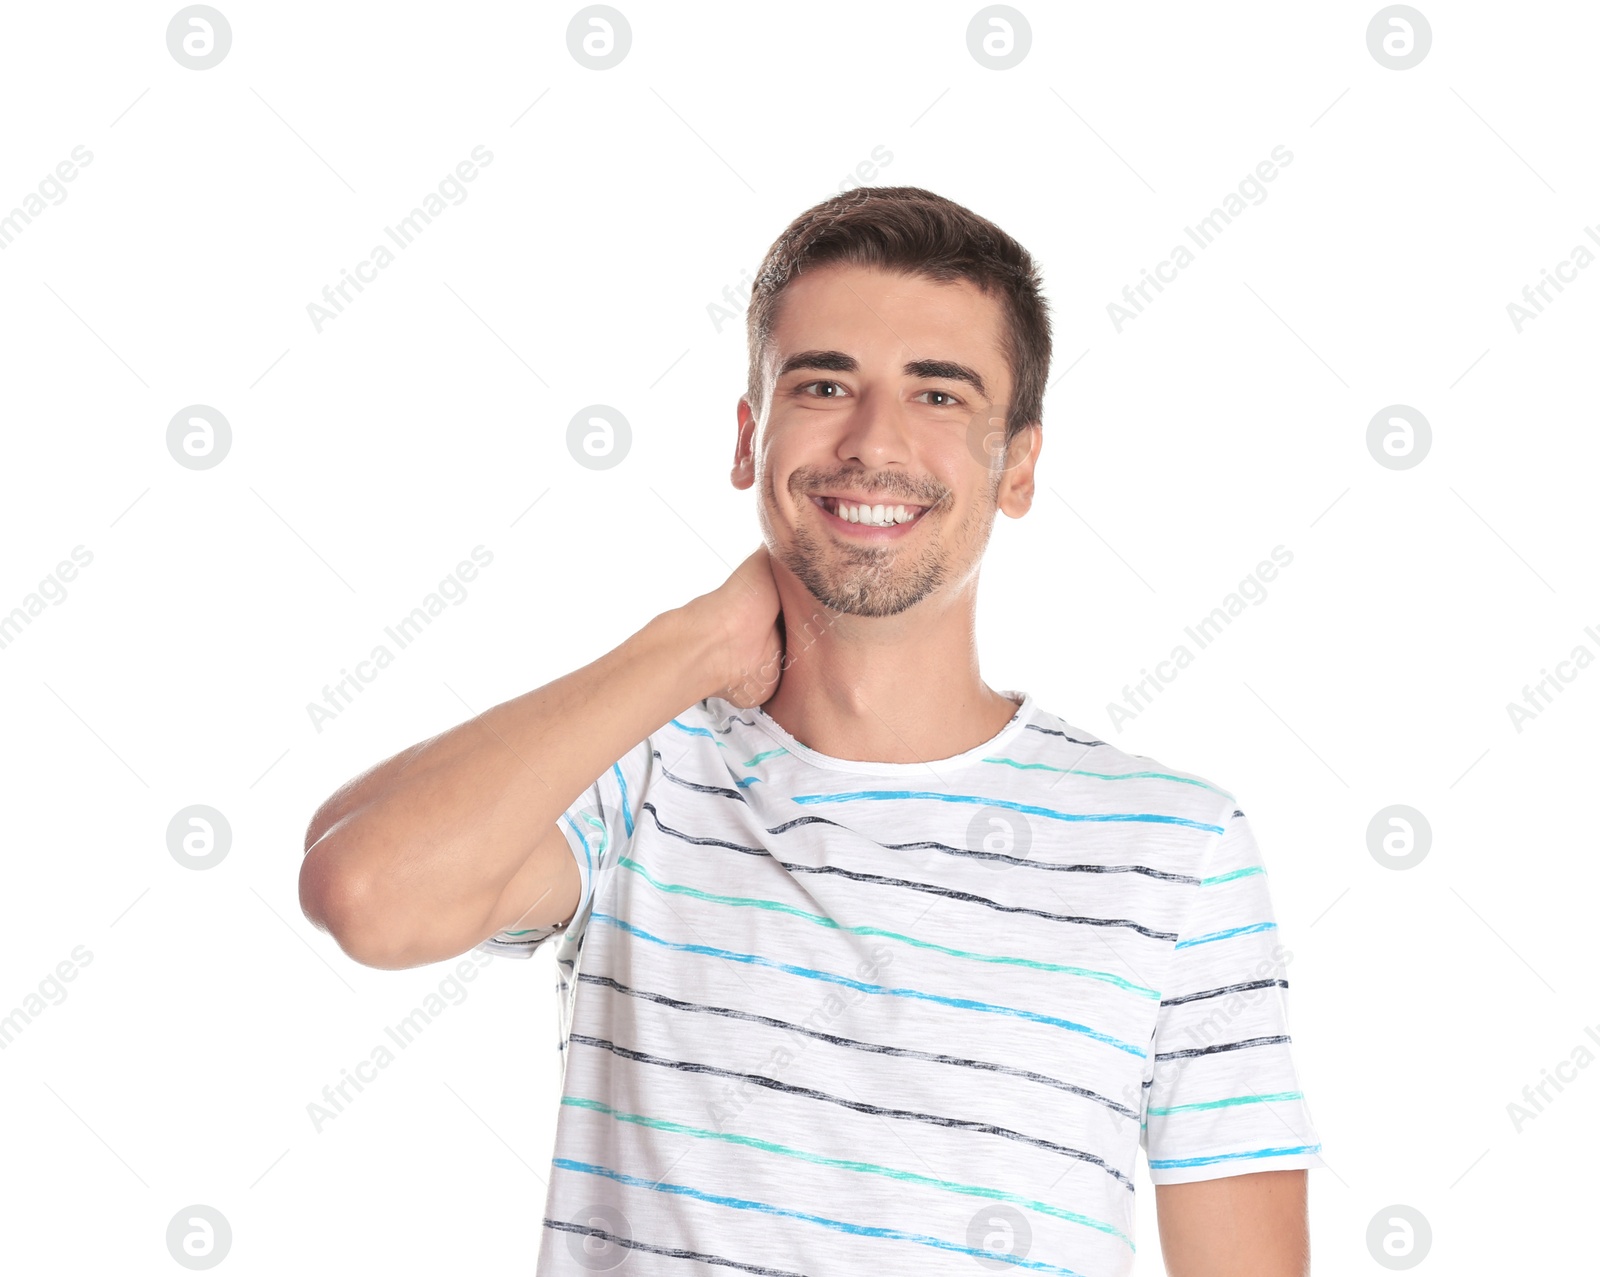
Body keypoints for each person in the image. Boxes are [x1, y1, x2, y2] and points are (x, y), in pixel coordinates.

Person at [300, 185, 1322, 1276]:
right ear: (751, 436)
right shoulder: (639, 776)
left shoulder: (1175, 847)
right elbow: (366, 889)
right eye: (825, 382)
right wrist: (692, 644)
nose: (873, 440)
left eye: (938, 393)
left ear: (1015, 465)